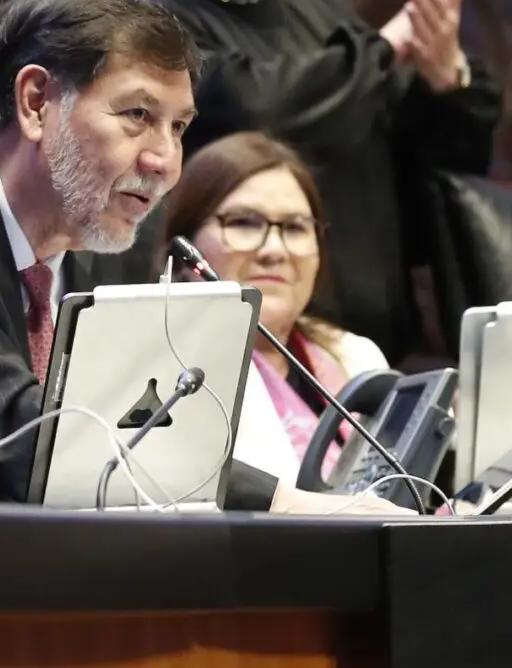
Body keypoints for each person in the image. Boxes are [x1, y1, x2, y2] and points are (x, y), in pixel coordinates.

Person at [0, 0, 401, 514]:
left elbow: (149, 435)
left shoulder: (117, 243)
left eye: (179, 127)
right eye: (138, 115)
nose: (165, 162)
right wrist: (281, 502)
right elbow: (17, 442)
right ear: (36, 103)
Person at [118, 0, 502, 363]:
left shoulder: (324, 9)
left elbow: (427, 168)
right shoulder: (142, 22)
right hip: (230, 357)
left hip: (371, 347)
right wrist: (387, 47)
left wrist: (443, 77)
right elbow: (254, 109)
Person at [159, 132, 388, 485]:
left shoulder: (356, 356)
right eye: (243, 223)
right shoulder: (163, 370)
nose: (275, 251)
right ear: (185, 251)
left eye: (295, 228)